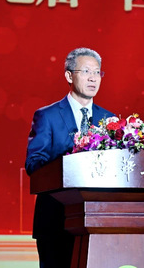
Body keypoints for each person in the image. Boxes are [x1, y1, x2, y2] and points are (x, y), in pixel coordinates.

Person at [25, 47, 114, 268]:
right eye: (86, 71)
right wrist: (72, 160)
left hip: (99, 221)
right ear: (69, 76)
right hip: (56, 220)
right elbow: (34, 164)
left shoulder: (110, 120)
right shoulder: (47, 116)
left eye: (97, 72)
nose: (93, 78)